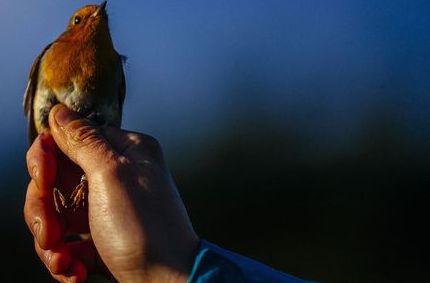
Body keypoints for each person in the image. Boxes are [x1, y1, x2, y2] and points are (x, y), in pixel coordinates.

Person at [24, 104, 311, 282]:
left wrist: (166, 268)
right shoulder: (51, 57)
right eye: (79, 21)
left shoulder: (109, 60)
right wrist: (173, 267)